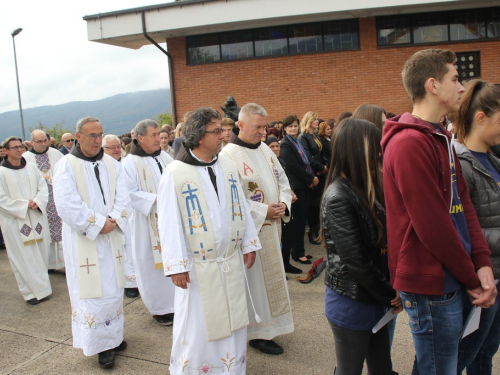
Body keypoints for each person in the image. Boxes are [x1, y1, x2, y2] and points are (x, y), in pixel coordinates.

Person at [381, 49, 497, 374]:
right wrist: (472, 277)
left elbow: (464, 207)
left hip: (452, 277)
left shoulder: (441, 137)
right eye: (455, 79)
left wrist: (483, 263)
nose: (462, 88)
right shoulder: (409, 144)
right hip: (431, 285)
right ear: (433, 85)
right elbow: (432, 226)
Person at [157, 107, 261, 375]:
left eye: (223, 130)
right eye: (217, 131)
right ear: (199, 136)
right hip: (197, 268)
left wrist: (249, 242)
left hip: (230, 260)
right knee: (198, 327)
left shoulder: (226, 164)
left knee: (234, 321)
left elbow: (241, 205)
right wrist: (176, 265)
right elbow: (168, 221)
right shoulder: (175, 173)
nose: (224, 136)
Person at [322, 118, 402, 375]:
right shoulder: (339, 196)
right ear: (359, 149)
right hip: (352, 302)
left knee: (382, 367)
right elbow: (356, 261)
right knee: (350, 369)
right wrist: (390, 293)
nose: (381, 151)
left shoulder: (362, 187)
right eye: (376, 145)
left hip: (373, 297)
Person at [53, 116, 129, 369]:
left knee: (114, 290)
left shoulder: (112, 164)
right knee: (93, 294)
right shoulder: (66, 165)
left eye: (100, 135)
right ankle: (101, 346)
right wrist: (98, 223)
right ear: (78, 138)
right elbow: (66, 204)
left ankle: (114, 336)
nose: (97, 140)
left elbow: (124, 194)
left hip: (111, 237)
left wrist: (115, 218)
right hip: (84, 241)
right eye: (92, 136)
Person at [222, 103, 294, 355]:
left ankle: (273, 325)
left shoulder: (265, 149)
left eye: (265, 126)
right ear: (240, 125)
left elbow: (282, 179)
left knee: (271, 282)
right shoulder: (227, 156)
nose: (263, 132)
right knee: (256, 283)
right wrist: (264, 211)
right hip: (253, 232)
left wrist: (284, 203)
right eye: (258, 127)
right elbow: (232, 199)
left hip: (273, 227)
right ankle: (257, 332)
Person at [453, 79, 500, 374]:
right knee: (463, 355)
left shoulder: (494, 159)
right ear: (480, 117)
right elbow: (460, 229)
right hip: (480, 280)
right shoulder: (460, 163)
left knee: (486, 352)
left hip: (496, 275)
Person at [123, 120, 176, 326]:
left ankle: (175, 302)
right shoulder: (129, 163)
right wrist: (156, 199)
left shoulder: (165, 157)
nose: (158, 139)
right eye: (153, 135)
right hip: (146, 222)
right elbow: (128, 193)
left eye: (159, 134)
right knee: (150, 263)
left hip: (169, 219)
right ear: (140, 137)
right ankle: (159, 307)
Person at [0, 136, 51, 305]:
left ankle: (43, 288)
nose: (19, 149)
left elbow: (42, 187)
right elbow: (1, 199)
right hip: (15, 221)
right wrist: (23, 205)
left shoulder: (32, 168)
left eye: (20, 146)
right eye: (14, 147)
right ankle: (29, 292)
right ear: (6, 151)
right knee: (22, 257)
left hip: (35, 216)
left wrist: (37, 201)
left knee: (40, 253)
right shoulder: (1, 172)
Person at [102, 134, 138, 298]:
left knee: (131, 248)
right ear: (104, 150)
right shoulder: (102, 167)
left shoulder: (124, 165)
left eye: (118, 146)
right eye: (112, 147)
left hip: (127, 214)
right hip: (110, 217)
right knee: (119, 251)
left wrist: (120, 214)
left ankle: (134, 281)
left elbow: (127, 191)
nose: (116, 150)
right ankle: (126, 283)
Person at [279, 115, 318, 266]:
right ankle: (297, 253)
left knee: (301, 221)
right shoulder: (286, 144)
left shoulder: (296, 142)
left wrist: (310, 178)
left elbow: (305, 161)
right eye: (290, 126)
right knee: (299, 222)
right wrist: (310, 178)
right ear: (285, 128)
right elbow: (292, 167)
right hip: (297, 186)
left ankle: (299, 250)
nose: (294, 128)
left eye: (295, 126)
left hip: (304, 185)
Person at [24, 129, 65, 271]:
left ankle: (63, 263)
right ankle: (48, 265)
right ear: (31, 142)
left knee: (60, 232)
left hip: (57, 199)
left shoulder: (56, 154)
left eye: (45, 140)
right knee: (45, 233)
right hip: (40, 203)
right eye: (39, 141)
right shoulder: (25, 159)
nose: (43, 144)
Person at [266, 135, 301, 275]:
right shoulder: (268, 163)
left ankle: (287, 264)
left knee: (288, 237)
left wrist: (290, 193)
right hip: (277, 204)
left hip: (286, 203)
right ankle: (280, 269)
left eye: (277, 146)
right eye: (272, 147)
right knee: (279, 239)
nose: (275, 149)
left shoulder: (282, 161)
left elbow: (286, 180)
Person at [298, 111, 327, 246]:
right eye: (315, 119)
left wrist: (325, 165)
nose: (317, 121)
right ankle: (312, 233)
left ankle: (318, 231)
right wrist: (320, 167)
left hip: (322, 174)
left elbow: (321, 153)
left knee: (318, 204)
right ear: (309, 121)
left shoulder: (314, 135)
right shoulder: (303, 137)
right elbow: (307, 157)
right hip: (313, 174)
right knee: (313, 205)